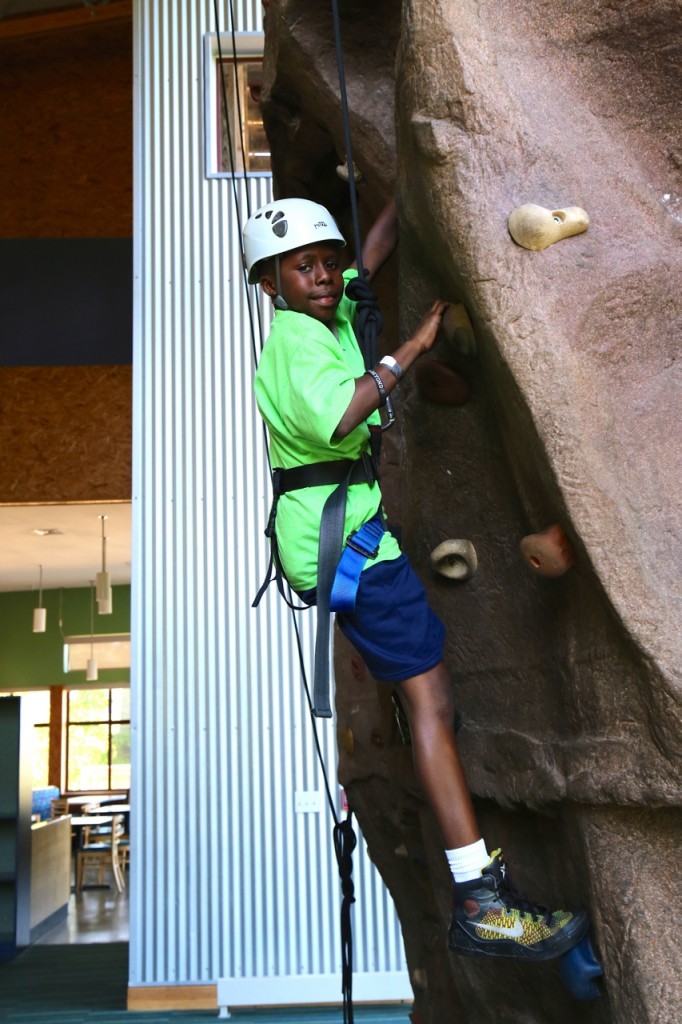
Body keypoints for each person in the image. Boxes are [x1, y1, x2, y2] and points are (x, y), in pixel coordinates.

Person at [243, 196, 589, 960]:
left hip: (345, 537)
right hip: (350, 544)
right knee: (430, 702)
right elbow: (343, 415)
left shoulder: (320, 316)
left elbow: (366, 254)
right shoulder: (294, 343)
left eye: (325, 261)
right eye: (303, 267)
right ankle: (481, 898)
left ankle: (479, 888)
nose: (324, 275)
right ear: (271, 283)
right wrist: (417, 343)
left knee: (427, 696)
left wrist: (409, 193)